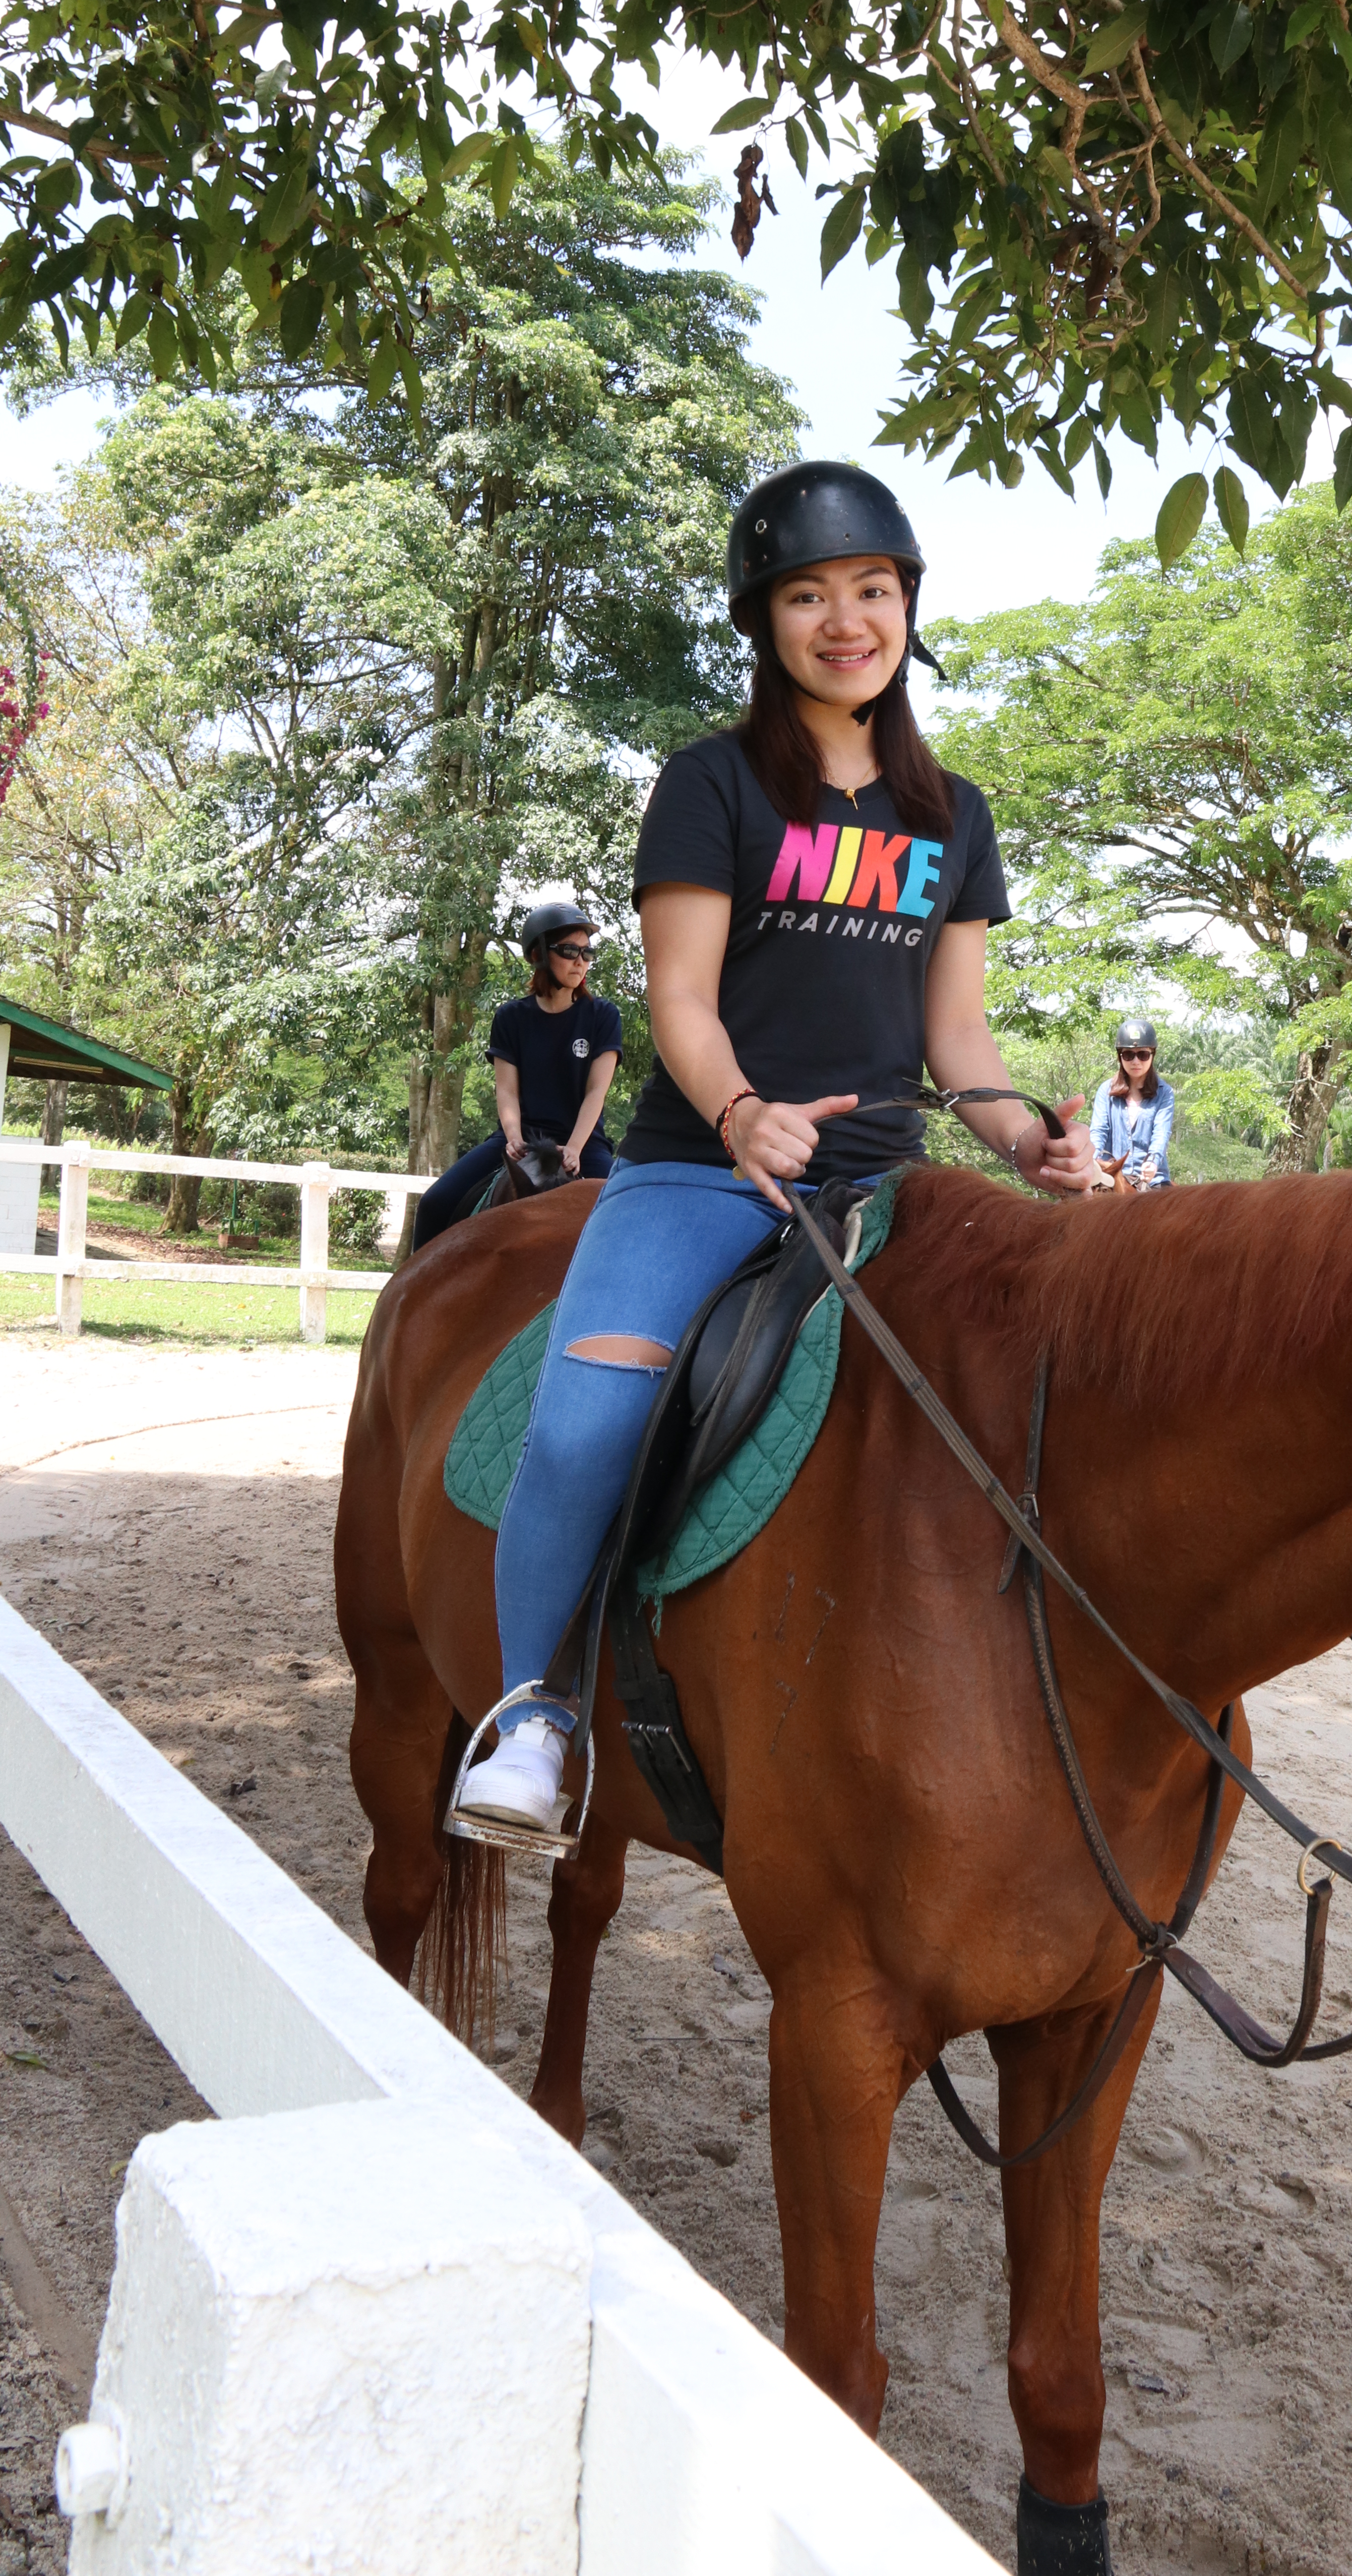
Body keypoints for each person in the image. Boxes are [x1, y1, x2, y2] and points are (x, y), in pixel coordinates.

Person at [454, 461, 1096, 1835]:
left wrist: (1026, 1134)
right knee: (584, 1425)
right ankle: (532, 1715)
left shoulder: (953, 817)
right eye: (809, 595)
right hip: (701, 1167)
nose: (845, 619)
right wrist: (743, 1110)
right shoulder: (713, 783)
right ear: (767, 623)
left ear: (907, 606)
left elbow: (959, 1040)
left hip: (883, 1181)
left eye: (871, 590)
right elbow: (679, 995)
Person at [411, 900, 622, 1249]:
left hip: (583, 1142)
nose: (581, 962)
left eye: (588, 953)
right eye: (570, 951)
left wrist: (574, 1148)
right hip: (519, 1141)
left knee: (626, 1215)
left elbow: (596, 1092)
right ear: (538, 954)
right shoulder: (511, 1018)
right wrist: (513, 1139)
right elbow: (507, 1092)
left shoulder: (603, 1016)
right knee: (435, 1204)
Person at [1090, 1019, 1176, 1192]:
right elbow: (1098, 1132)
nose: (1136, 1061)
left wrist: (1152, 1162)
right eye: (1129, 1055)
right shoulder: (1106, 1091)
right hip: (1112, 1177)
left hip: (1153, 1180)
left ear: (1153, 1055)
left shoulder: (1165, 1093)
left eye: (1143, 1054)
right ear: (1120, 1056)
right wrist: (1091, 1161)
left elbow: (1161, 1133)